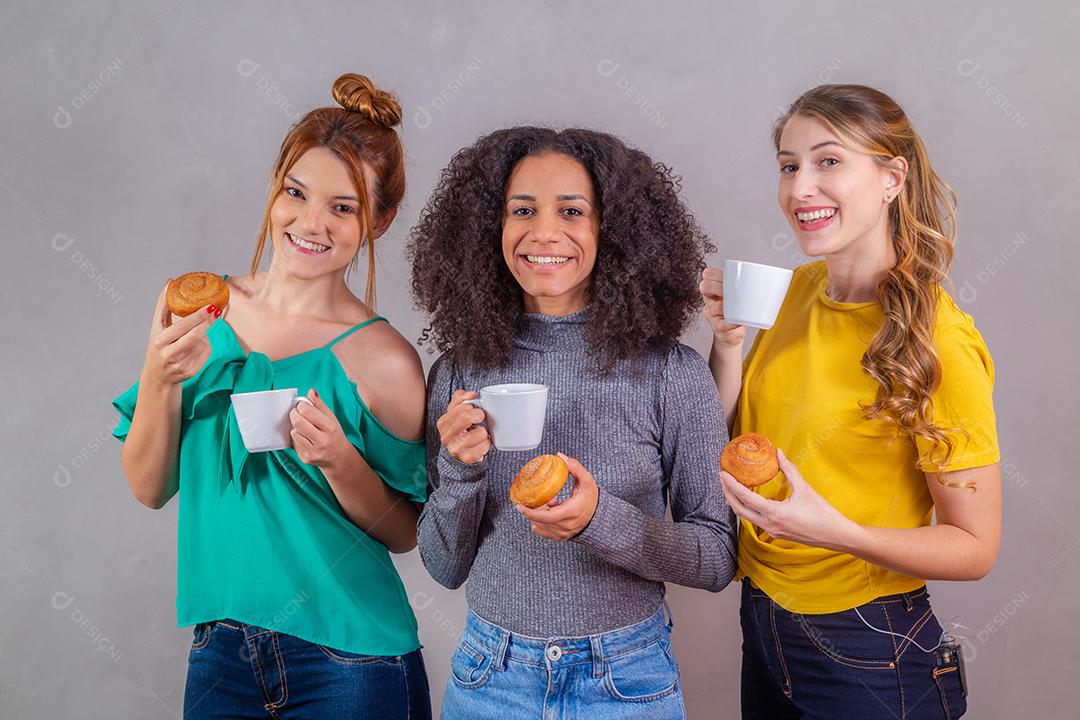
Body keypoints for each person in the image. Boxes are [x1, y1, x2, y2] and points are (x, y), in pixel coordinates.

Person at [111, 73, 432, 719]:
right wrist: (161, 375)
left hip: (354, 662)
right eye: (296, 192)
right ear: (273, 189)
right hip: (220, 653)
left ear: (380, 221)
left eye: (344, 207)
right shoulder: (199, 310)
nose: (311, 222)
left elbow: (406, 533)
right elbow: (148, 487)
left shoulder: (386, 361)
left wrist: (341, 461)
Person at [409, 127, 738, 719]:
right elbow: (442, 567)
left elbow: (717, 557)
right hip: (491, 678)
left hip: (627, 680)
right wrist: (459, 475)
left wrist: (599, 521)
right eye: (522, 210)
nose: (543, 232)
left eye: (571, 211)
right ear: (492, 228)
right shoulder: (458, 372)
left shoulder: (671, 373)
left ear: (611, 230)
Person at [702, 84, 1000, 719]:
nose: (799, 188)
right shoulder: (793, 293)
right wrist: (727, 346)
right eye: (789, 165)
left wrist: (838, 534)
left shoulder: (937, 341)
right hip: (763, 616)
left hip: (868, 642)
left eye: (828, 161)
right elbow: (719, 434)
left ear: (892, 177)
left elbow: (975, 547)